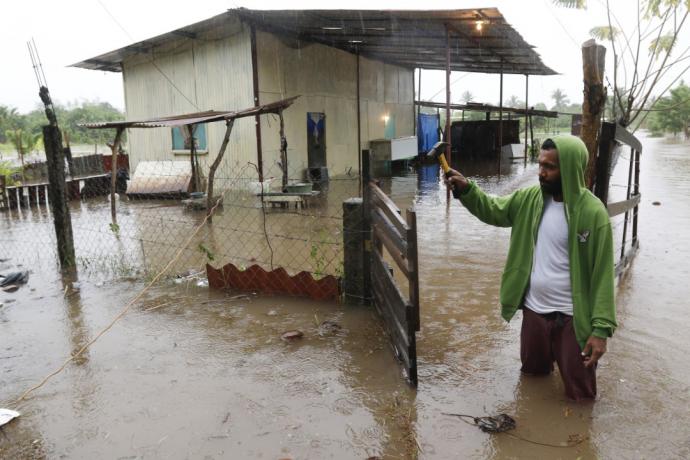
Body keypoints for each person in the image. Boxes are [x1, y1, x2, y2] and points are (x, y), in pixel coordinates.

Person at [445, 135, 616, 401]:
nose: (541, 173)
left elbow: (603, 275)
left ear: (569, 169)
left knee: (580, 395)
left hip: (574, 319)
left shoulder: (593, 213)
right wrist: (468, 190)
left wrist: (601, 330)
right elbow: (494, 210)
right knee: (532, 380)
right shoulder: (531, 199)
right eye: (540, 164)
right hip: (535, 311)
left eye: (550, 167)